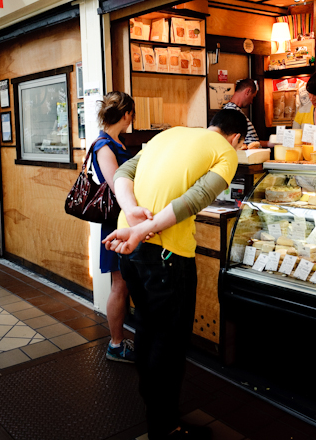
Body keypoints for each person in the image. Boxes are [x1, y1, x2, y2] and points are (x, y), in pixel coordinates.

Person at [103, 109, 246, 440]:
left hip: (130, 245)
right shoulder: (226, 152)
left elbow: (124, 172)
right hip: (166, 255)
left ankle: (157, 416)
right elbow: (195, 199)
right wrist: (146, 230)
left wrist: (131, 215)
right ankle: (164, 428)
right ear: (236, 138)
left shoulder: (169, 134)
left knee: (147, 330)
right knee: (167, 343)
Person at [91, 91, 136, 363]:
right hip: (115, 222)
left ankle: (119, 341)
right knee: (119, 285)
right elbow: (115, 185)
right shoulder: (104, 145)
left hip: (123, 221)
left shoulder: (114, 141)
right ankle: (116, 345)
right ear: (127, 114)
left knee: (124, 284)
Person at [222, 78, 262, 146]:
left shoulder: (235, 111)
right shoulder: (231, 112)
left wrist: (268, 143)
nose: (251, 102)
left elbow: (250, 141)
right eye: (252, 97)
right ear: (247, 91)